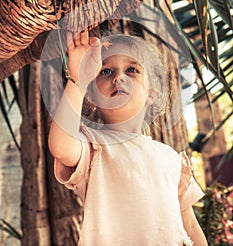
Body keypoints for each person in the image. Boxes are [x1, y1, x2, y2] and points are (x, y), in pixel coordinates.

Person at [49, 30, 208, 246]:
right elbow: (61, 147)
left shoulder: (171, 159)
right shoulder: (94, 146)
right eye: (105, 72)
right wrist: (77, 79)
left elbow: (189, 225)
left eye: (132, 69)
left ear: (151, 92)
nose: (118, 77)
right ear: (91, 96)